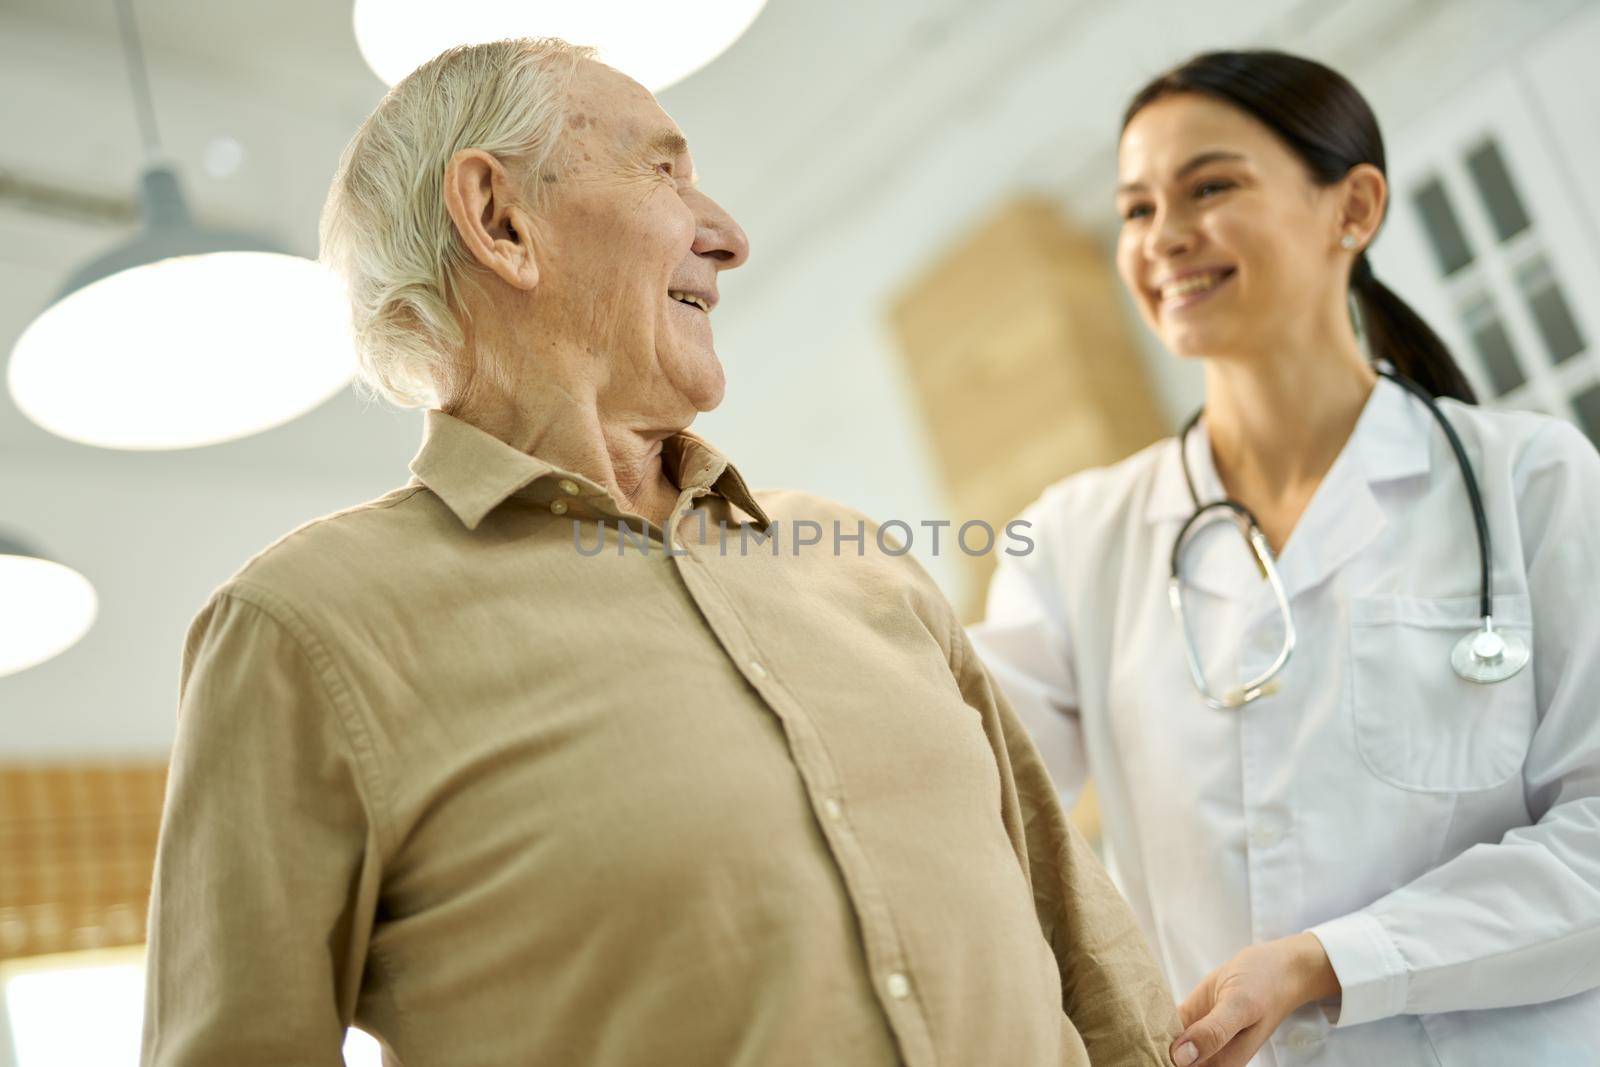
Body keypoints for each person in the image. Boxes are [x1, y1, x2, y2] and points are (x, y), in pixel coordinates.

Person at [140, 37, 1181, 1067]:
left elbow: (1082, 941)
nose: (727, 236)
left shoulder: (856, 559)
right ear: (500, 220)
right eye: (664, 171)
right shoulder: (303, 630)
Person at [971, 49, 1600, 1067]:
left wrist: (1324, 960)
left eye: (1208, 186)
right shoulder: (1077, 537)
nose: (1163, 236)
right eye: (1134, 209)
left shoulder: (1527, 480)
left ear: (1350, 209)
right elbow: (961, 786)